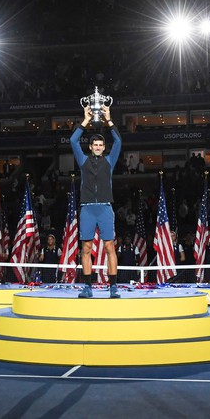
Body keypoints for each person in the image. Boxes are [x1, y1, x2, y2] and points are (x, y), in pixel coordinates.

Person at [70, 103, 122, 298]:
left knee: (110, 246)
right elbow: (73, 141)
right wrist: (85, 120)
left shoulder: (109, 161)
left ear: (103, 148)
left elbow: (118, 141)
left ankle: (113, 287)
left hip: (105, 208)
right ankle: (87, 287)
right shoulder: (83, 161)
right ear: (91, 147)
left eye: (101, 145)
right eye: (95, 145)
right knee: (86, 248)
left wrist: (108, 119)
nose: (99, 148)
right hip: (88, 209)